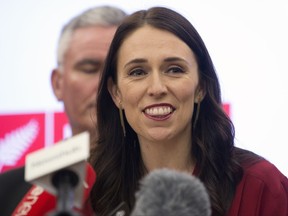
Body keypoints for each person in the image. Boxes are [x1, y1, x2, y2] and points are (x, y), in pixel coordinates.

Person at [88, 6, 288, 216]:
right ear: (116, 93)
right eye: (138, 72)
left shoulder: (260, 185)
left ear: (201, 87)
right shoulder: (87, 192)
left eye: (174, 69)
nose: (157, 88)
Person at [0, 5, 127, 216]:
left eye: (119, 70)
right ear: (58, 83)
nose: (105, 85)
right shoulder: (7, 191)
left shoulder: (171, 185)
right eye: (89, 68)